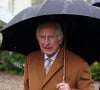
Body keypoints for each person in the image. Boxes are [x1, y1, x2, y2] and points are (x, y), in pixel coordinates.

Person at [23, 22, 94, 90]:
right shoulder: (30, 60)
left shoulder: (79, 64)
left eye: (51, 37)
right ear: (38, 39)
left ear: (60, 39)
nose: (46, 43)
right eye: (42, 37)